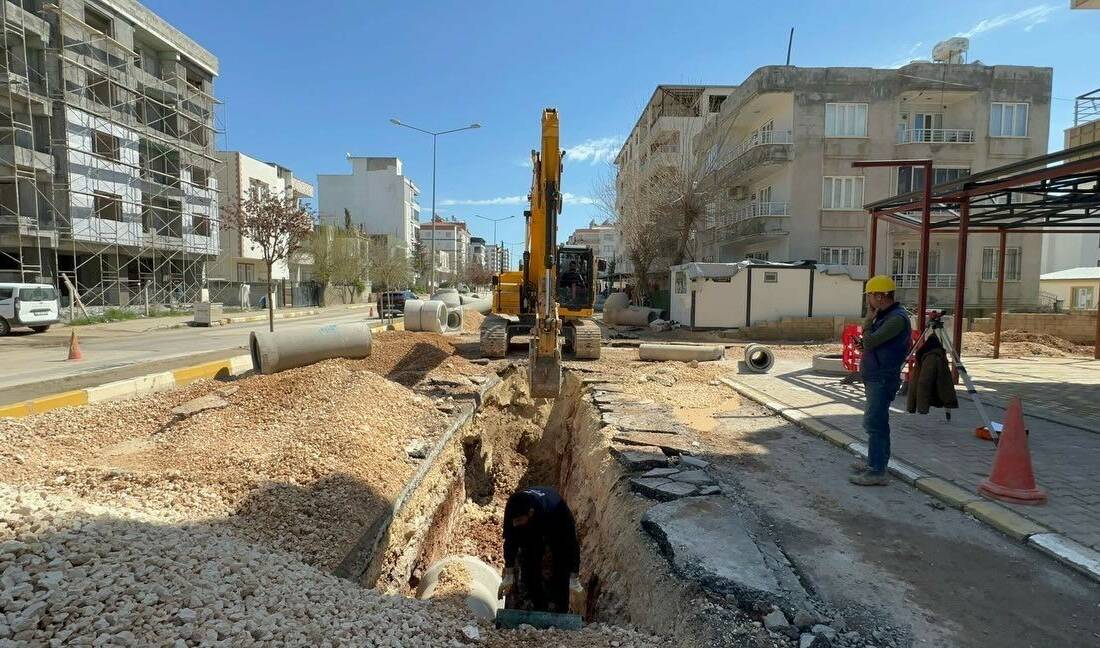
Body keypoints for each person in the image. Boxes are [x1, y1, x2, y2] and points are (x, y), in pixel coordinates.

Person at [850, 275, 912, 487]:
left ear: (880, 296)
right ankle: (874, 462)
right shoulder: (885, 316)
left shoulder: (896, 318)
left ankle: (877, 471)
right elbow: (872, 344)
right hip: (875, 375)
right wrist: (865, 344)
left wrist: (867, 323)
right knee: (874, 422)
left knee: (875, 423)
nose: (868, 301)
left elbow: (871, 340)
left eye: (870, 296)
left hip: (882, 377)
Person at [499, 486, 584, 614]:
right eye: (514, 521)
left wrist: (574, 579)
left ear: (531, 513)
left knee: (561, 564)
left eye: (519, 520)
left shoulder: (557, 511)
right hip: (532, 526)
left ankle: (560, 609)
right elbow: (510, 541)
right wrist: (509, 573)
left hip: (553, 524)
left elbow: (571, 545)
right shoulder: (512, 506)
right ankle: (539, 607)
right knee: (529, 563)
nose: (515, 524)